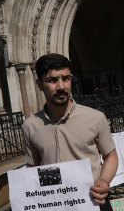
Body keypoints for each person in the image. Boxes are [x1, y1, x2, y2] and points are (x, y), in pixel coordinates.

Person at [22, 53, 118, 210]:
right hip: (55, 205)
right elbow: (33, 167)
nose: (61, 86)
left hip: (93, 202)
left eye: (66, 79)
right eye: (52, 80)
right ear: (40, 85)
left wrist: (104, 181)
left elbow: (111, 156)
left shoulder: (95, 118)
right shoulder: (30, 126)